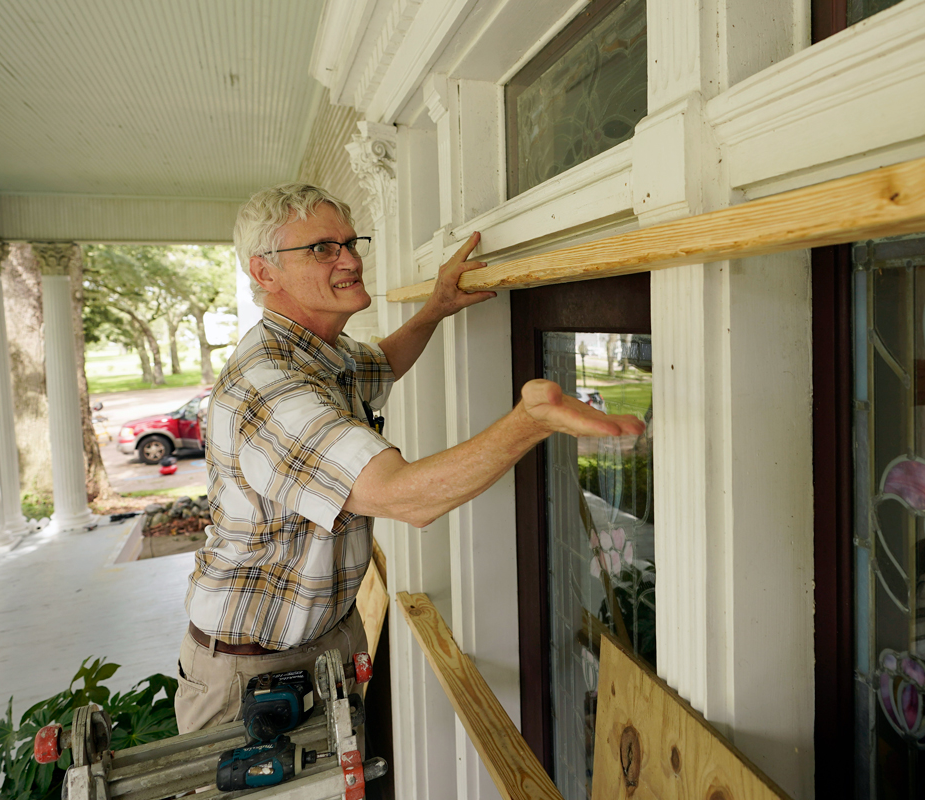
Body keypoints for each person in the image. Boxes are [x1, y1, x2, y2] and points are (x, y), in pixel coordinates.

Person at [175, 183, 643, 733]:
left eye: (351, 243)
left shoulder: (321, 351)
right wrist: (529, 422)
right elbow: (404, 497)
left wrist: (437, 308)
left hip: (320, 645)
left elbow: (380, 365)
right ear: (264, 273)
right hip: (254, 672)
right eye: (323, 248)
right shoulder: (270, 386)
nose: (350, 260)